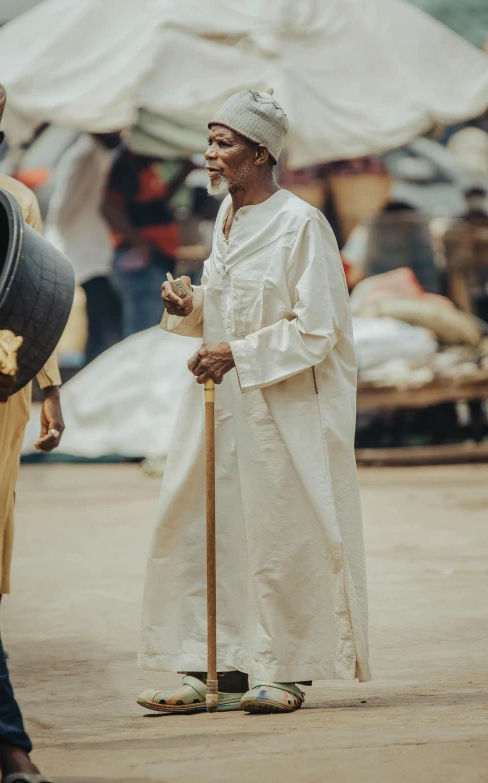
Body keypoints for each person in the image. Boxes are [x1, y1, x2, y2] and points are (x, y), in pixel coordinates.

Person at [137, 89, 370, 715]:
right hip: (224, 401)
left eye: (224, 143)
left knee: (279, 531)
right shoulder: (227, 217)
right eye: (209, 142)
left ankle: (286, 669)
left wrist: (236, 351)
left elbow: (318, 330)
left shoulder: (301, 225)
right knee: (203, 523)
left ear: (260, 152)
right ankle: (212, 665)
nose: (209, 155)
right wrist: (192, 308)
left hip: (283, 411)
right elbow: (232, 300)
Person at [0, 73, 55, 783]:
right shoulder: (15, 195)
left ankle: (5, 738)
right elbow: (39, 297)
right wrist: (49, 387)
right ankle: (6, 737)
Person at [46, 132, 123, 364]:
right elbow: (62, 206)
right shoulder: (83, 154)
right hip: (87, 251)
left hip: (97, 250)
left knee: (101, 321)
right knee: (103, 322)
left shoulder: (99, 152)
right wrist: (57, 243)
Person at [101, 148, 194, 336]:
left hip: (153, 262)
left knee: (150, 333)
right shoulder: (127, 166)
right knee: (142, 336)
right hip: (143, 265)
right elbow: (108, 207)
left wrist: (184, 172)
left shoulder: (144, 166)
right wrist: (139, 243)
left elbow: (156, 203)